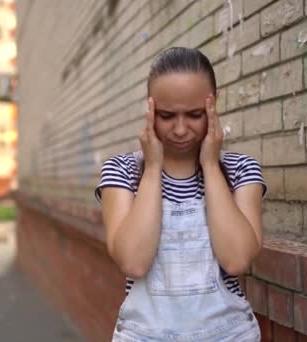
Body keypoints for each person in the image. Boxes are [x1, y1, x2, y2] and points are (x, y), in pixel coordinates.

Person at [95, 47, 267, 341]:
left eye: (195, 114)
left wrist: (211, 165)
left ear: (213, 106)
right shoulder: (121, 172)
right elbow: (133, 262)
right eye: (166, 115)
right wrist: (152, 169)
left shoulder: (241, 170)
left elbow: (237, 259)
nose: (179, 129)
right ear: (149, 109)